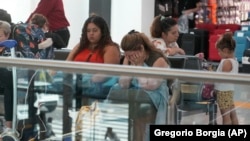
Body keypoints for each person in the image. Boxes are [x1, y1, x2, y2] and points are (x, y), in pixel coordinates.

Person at [118, 30, 170, 141]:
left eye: (131, 55)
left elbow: (150, 86)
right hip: (137, 93)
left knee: (139, 112)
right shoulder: (129, 58)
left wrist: (139, 66)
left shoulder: (158, 59)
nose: (129, 57)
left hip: (156, 95)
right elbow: (123, 84)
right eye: (126, 54)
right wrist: (128, 64)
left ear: (141, 49)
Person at [214, 32, 239, 125]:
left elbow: (221, 78)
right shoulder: (234, 61)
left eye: (219, 51)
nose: (218, 53)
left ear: (225, 50)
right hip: (229, 91)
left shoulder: (227, 62)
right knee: (232, 114)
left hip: (223, 92)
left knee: (225, 116)